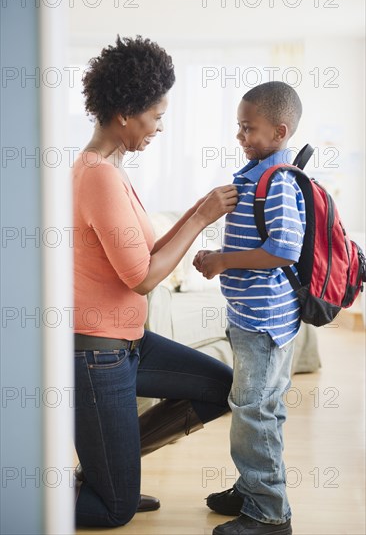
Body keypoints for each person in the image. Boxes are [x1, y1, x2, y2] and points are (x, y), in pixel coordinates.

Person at [72, 35, 238, 528]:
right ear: (125, 111)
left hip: (129, 343)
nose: (160, 127)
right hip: (98, 354)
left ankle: (107, 468)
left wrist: (198, 210)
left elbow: (143, 250)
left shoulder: (112, 169)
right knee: (115, 511)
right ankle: (87, 487)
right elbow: (142, 277)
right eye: (157, 116)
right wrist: (201, 217)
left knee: (218, 386)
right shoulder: (97, 175)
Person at [194, 81, 305, 535]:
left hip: (263, 321)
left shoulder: (276, 180)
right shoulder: (260, 173)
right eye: (238, 128)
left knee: (251, 410)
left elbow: (283, 249)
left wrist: (222, 262)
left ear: (279, 131)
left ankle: (268, 512)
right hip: (261, 318)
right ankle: (253, 485)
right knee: (265, 407)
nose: (240, 137)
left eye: (248, 129)